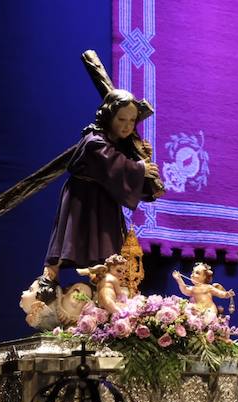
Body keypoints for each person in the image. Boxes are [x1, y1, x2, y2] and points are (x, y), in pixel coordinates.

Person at [35, 89, 160, 299]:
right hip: (83, 199)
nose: (127, 125)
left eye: (132, 120)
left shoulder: (120, 144)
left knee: (105, 247)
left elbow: (124, 165)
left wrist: (142, 157)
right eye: (121, 119)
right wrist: (138, 168)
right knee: (71, 238)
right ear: (109, 116)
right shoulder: (94, 140)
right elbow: (110, 161)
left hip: (105, 200)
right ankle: (48, 283)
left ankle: (104, 291)